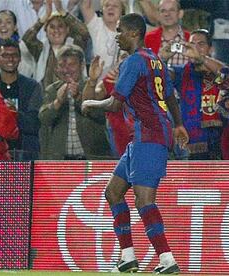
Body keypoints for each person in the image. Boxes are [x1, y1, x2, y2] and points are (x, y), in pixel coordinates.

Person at [81, 13, 188, 273]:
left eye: (119, 31)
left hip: (149, 136)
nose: (116, 36)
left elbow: (115, 103)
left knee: (144, 200)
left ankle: (167, 260)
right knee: (113, 192)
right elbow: (171, 98)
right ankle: (128, 255)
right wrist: (178, 124)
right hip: (143, 136)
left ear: (132, 33)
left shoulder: (132, 62)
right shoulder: (156, 60)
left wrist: (89, 103)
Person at [161, 29, 226, 159]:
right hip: (189, 142)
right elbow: (160, 77)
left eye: (200, 44)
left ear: (210, 49)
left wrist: (201, 58)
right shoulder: (181, 73)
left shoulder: (216, 70)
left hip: (220, 140)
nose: (195, 48)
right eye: (192, 44)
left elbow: (225, 75)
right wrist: (162, 59)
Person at [39, 44, 110, 160]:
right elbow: (44, 119)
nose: (66, 69)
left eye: (71, 65)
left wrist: (78, 97)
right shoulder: (52, 90)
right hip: (60, 161)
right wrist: (58, 102)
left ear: (82, 66)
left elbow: (100, 115)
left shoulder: (93, 86)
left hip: (91, 158)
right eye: (61, 65)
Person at [23, 0, 90, 89]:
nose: (56, 30)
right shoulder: (40, 48)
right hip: (46, 99)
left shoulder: (75, 45)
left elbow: (84, 32)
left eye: (60, 26)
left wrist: (62, 11)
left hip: (74, 96)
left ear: (67, 30)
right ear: (46, 31)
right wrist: (45, 16)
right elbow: (27, 38)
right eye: (52, 27)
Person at [0, 39, 42, 161]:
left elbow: (34, 124)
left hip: (25, 153)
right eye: (5, 55)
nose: (10, 59)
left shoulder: (32, 86)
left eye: (14, 55)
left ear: (20, 58)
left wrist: (14, 113)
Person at [145, 0, 190, 67]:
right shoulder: (148, 39)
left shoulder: (191, 39)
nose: (167, 14)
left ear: (180, 14)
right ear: (158, 15)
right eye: (163, 11)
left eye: (171, 10)